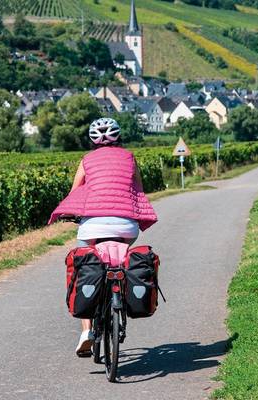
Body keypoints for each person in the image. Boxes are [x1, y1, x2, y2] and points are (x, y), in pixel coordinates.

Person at [48, 117, 158, 357]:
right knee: (119, 259)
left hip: (92, 228)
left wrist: (71, 212)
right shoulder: (129, 158)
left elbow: (76, 191)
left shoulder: (87, 160)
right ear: (118, 137)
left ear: (92, 141)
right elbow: (138, 190)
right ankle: (119, 292)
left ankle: (86, 331)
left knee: (85, 266)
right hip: (126, 226)